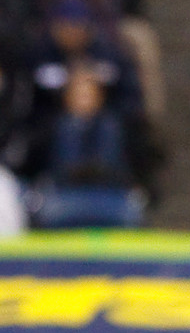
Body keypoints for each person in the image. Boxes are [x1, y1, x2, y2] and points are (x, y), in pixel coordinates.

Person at [32, 63, 142, 228]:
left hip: (109, 194)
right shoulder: (56, 127)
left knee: (130, 213)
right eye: (78, 93)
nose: (84, 99)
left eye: (89, 93)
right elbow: (56, 168)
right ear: (67, 97)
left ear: (100, 97)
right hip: (64, 194)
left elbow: (113, 166)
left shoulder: (112, 126)